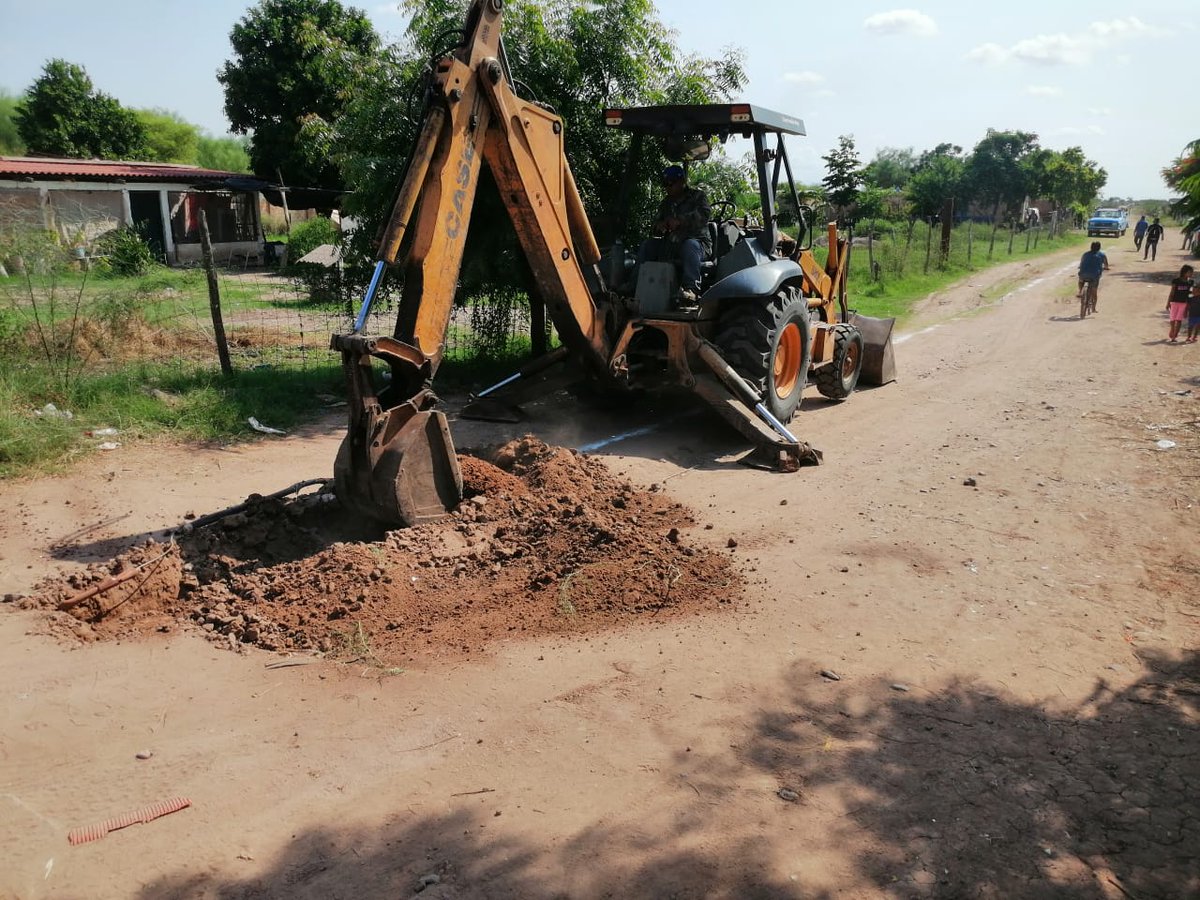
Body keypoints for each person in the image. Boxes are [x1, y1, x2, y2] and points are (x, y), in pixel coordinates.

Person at [638, 165, 711, 306]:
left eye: (671, 183)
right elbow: (655, 225)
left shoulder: (698, 197)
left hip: (698, 244)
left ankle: (691, 290)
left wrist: (680, 221)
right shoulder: (666, 203)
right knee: (648, 245)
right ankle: (633, 286)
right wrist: (659, 226)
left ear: (682, 181)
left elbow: (704, 215)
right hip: (671, 245)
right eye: (665, 184)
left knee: (690, 245)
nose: (667, 187)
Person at [1077, 240, 1109, 313]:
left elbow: (1081, 262)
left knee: (1081, 280)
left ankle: (1080, 291)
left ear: (1091, 247)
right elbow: (1106, 264)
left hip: (1083, 274)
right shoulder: (1102, 255)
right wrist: (1106, 267)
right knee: (1094, 291)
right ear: (1099, 248)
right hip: (1094, 276)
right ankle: (1093, 308)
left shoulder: (1085, 254)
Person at [1166, 264, 1194, 342]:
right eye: (1190, 272)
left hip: (1183, 303)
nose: (1191, 274)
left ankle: (1175, 335)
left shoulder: (1190, 282)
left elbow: (1190, 294)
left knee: (1179, 319)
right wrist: (1168, 303)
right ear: (1184, 272)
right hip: (1174, 302)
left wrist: (1189, 304)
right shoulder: (1176, 281)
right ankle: (1172, 329)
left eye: (1192, 272)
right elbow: (1172, 292)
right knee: (1172, 318)